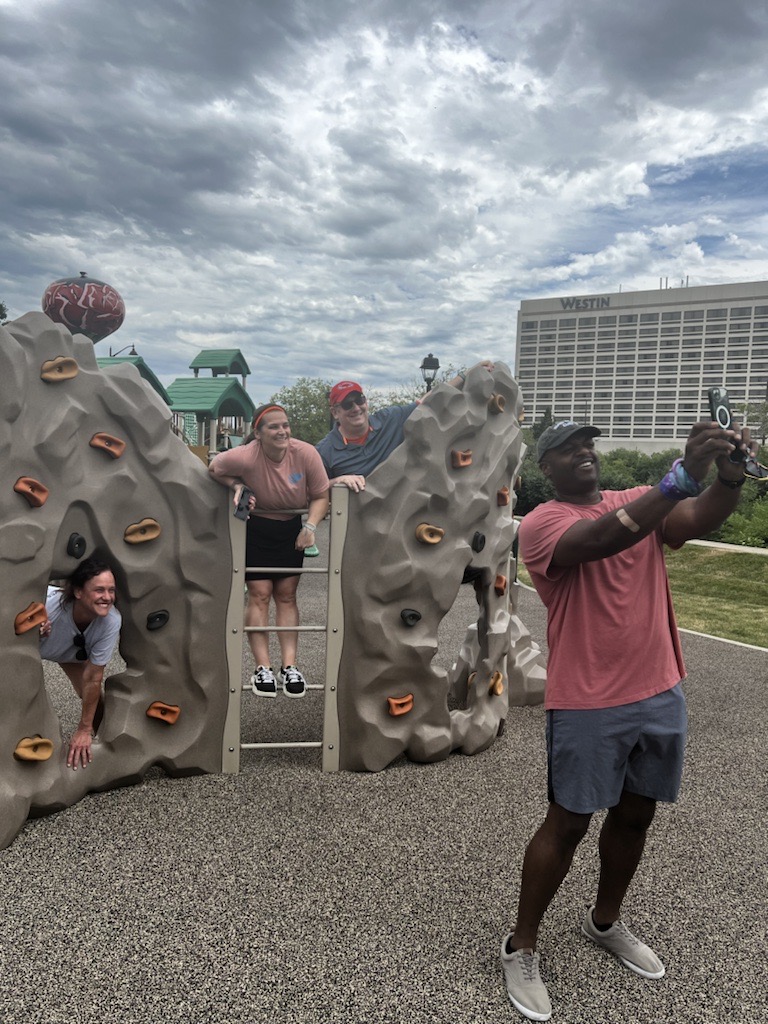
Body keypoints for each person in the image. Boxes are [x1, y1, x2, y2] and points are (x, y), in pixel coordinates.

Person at [500, 415, 756, 1022]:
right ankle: (520, 946)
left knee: (637, 814)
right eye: (568, 448)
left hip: (660, 687)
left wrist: (727, 479)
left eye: (588, 443)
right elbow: (596, 541)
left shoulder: (635, 498)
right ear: (545, 468)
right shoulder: (541, 522)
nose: (584, 452)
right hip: (588, 698)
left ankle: (604, 921)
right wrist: (678, 478)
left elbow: (694, 520)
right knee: (568, 823)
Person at [209, 403, 330, 698]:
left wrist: (310, 527)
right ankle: (262, 668)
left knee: (287, 595)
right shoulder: (246, 454)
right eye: (273, 426)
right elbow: (214, 468)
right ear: (258, 433)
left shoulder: (305, 453)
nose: (282, 431)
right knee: (260, 595)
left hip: (291, 529)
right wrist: (236, 485)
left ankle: (290, 667)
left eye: (285, 425)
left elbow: (321, 495)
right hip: (256, 529)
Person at [316, 365, 494, 489]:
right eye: (347, 404)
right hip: (356, 525)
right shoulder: (324, 451)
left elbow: (429, 400)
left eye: (359, 400)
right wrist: (338, 481)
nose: (356, 408)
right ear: (335, 412)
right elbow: (310, 491)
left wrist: (466, 374)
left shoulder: (390, 419)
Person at [39, 559, 121, 771]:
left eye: (111, 590)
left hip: (70, 654)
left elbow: (93, 677)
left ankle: (104, 742)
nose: (107, 597)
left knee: (91, 694)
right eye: (99, 590)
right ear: (78, 592)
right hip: (37, 644)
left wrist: (84, 729)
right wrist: (28, 632)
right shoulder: (46, 605)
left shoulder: (111, 621)